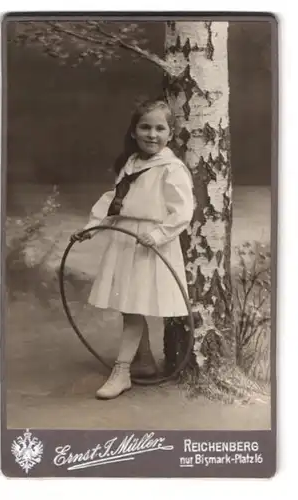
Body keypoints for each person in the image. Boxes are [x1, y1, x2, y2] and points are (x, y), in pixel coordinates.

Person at [70, 99, 194, 400]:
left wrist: (158, 234)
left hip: (150, 241)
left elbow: (183, 210)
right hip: (125, 237)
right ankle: (145, 360)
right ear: (134, 131)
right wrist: (91, 227)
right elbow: (115, 198)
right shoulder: (132, 163)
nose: (152, 134)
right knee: (129, 304)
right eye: (145, 127)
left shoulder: (171, 169)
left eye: (160, 128)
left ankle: (122, 369)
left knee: (136, 306)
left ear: (171, 133)